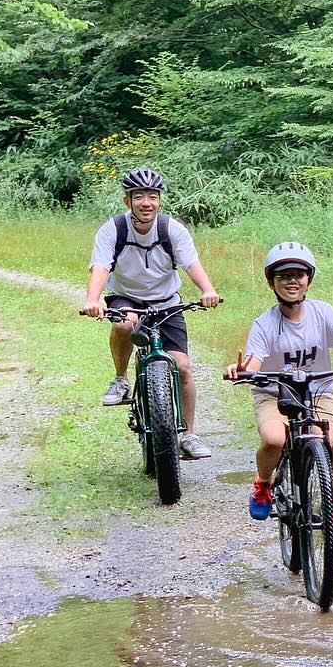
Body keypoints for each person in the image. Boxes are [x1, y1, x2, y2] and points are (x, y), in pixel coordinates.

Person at [226, 242, 333, 539]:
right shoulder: (265, 323)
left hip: (317, 393)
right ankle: (263, 483)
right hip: (274, 394)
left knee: (328, 439)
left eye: (299, 274)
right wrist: (242, 369)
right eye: (283, 275)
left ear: (308, 279)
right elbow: (254, 360)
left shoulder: (322, 312)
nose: (292, 281)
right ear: (271, 282)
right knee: (275, 438)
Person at [82, 167, 221, 460]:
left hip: (166, 301)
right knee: (123, 326)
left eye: (153, 196)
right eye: (140, 196)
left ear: (159, 200)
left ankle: (189, 434)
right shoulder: (114, 229)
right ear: (127, 200)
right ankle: (121, 380)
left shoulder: (172, 229)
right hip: (126, 298)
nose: (147, 202)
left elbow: (190, 264)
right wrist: (93, 299)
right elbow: (101, 266)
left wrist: (208, 290)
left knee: (182, 367)